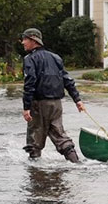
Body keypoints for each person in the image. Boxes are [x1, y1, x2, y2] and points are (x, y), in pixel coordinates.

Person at [21, 27, 85, 163]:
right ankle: (77, 163)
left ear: (33, 40)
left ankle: (35, 173)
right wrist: (77, 100)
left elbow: (30, 83)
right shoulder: (56, 57)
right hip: (56, 104)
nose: (23, 42)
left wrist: (26, 107)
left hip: (38, 104)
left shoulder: (29, 59)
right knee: (60, 135)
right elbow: (67, 79)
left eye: (25, 39)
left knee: (34, 139)